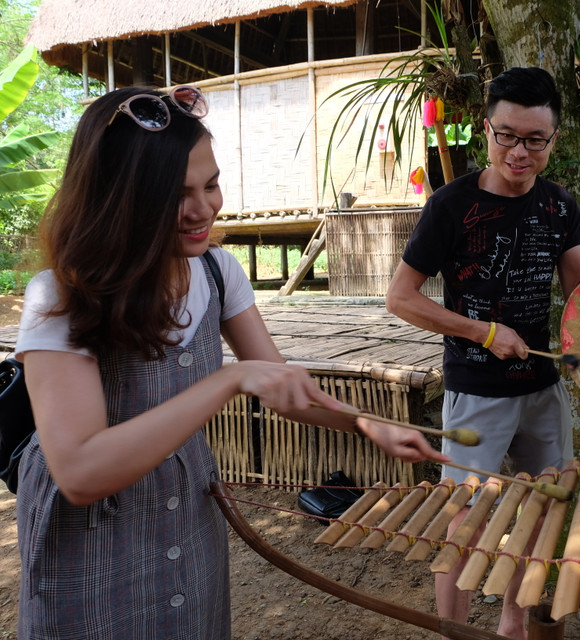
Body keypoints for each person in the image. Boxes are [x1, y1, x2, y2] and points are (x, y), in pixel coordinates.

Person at [14, 85, 447, 639]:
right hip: (91, 543)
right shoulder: (60, 297)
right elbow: (79, 472)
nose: (204, 209)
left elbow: (279, 381)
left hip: (186, 525)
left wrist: (366, 424)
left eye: (211, 184)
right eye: (177, 193)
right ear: (124, 196)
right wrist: (229, 379)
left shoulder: (217, 272)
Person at [385, 67, 580, 639]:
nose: (519, 151)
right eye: (506, 135)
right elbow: (401, 298)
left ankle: (513, 626)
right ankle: (454, 632)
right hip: (476, 392)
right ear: (487, 129)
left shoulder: (559, 207)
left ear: (554, 140)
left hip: (542, 389)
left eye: (535, 139)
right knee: (464, 518)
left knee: (541, 506)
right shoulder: (449, 205)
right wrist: (482, 332)